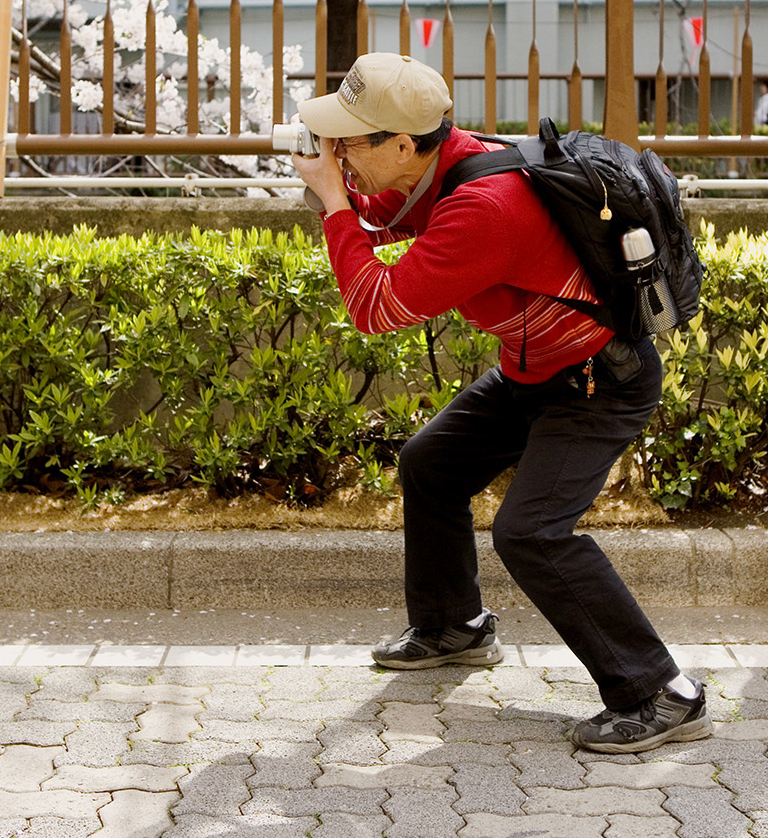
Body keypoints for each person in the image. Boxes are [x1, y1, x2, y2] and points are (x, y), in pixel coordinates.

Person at [289, 52, 712, 755]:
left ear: (402, 144)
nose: (338, 152)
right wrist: (346, 193)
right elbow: (395, 216)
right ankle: (453, 627)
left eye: (350, 141)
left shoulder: (483, 206)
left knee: (532, 532)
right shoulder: (453, 157)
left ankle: (662, 692)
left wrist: (335, 202)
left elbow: (375, 305)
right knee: (432, 464)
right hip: (536, 371)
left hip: (594, 384)